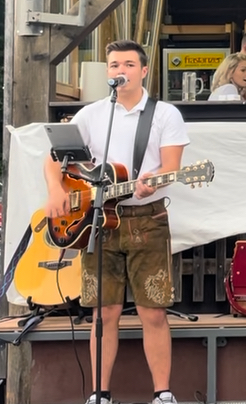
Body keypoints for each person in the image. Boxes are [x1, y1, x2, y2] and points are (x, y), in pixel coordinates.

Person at [44, 40, 189, 404]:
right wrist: (55, 190)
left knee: (152, 310)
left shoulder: (164, 114)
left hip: (147, 219)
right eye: (113, 65)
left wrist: (151, 182)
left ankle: (163, 394)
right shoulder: (91, 114)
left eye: (128, 64)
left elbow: (171, 167)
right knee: (103, 311)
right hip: (96, 219)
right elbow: (54, 158)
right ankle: (100, 394)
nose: (120, 71)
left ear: (143, 71)